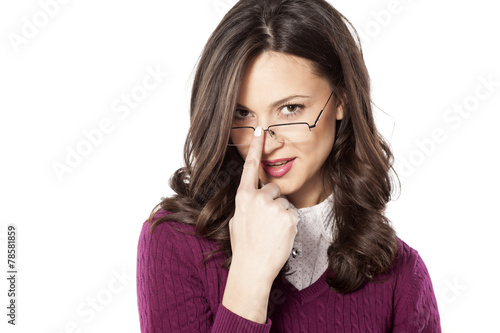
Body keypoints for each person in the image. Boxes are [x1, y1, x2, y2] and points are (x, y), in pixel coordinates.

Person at [136, 0, 441, 331]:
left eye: (291, 109)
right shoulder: (175, 241)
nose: (264, 141)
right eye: (242, 114)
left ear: (341, 100)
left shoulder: (401, 275)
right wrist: (248, 280)